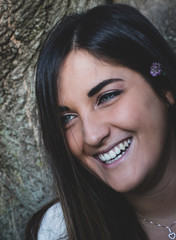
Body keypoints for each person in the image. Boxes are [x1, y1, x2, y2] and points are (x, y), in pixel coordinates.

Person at [25, 3, 176, 240]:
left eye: (107, 97)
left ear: (163, 86)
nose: (91, 136)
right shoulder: (56, 232)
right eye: (68, 118)